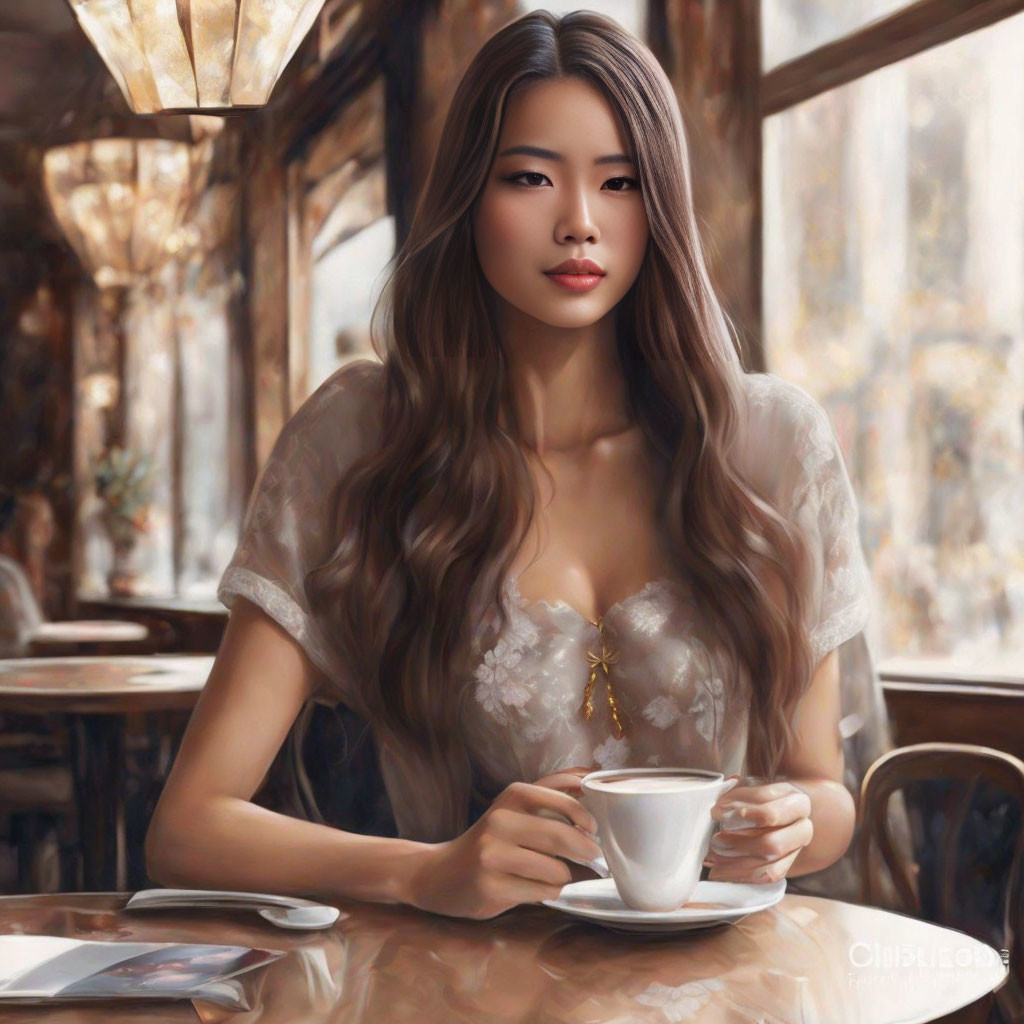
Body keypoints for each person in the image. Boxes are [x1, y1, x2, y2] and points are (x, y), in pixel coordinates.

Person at [147, 10, 904, 920]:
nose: (579, 223)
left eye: (620, 182)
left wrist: (792, 821)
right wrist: (425, 871)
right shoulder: (363, 439)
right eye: (531, 177)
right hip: (471, 986)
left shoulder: (770, 444)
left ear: (660, 204)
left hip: (727, 985)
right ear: (470, 194)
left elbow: (828, 794)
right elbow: (189, 826)